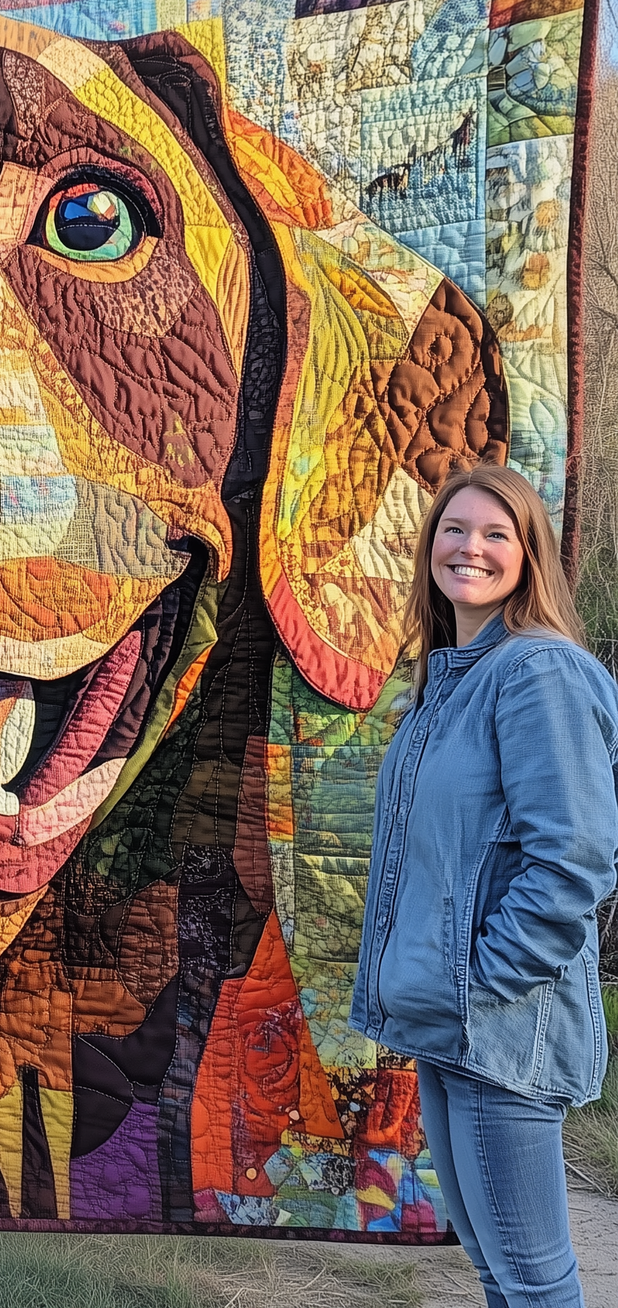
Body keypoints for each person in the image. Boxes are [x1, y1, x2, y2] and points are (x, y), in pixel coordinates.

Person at [351, 462, 618, 1308]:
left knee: (534, 1283)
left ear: (528, 554)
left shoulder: (538, 671)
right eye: (454, 528)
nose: (469, 546)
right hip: (452, 1022)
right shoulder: (449, 681)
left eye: (496, 532)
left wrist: (481, 978)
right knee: (498, 1273)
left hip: (502, 1027)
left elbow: (572, 859)